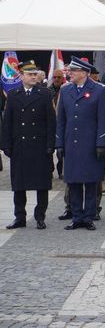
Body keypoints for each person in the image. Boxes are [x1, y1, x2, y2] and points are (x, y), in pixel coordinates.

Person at [56, 57, 105, 231]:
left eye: (74, 70)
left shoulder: (99, 90)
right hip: (72, 143)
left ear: (85, 73)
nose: (69, 73)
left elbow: (103, 119)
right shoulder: (65, 91)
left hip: (90, 144)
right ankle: (77, 216)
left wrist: (101, 143)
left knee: (91, 182)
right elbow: (61, 120)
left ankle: (88, 217)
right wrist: (60, 144)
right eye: (70, 70)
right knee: (73, 182)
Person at [1, 61, 56, 230]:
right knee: (19, 185)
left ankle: (40, 216)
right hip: (20, 146)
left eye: (35, 74)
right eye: (29, 74)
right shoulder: (13, 94)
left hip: (39, 146)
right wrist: (6, 145)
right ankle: (20, 217)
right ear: (21, 76)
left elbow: (51, 122)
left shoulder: (45, 94)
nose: (33, 77)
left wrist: (50, 145)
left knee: (42, 184)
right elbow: (7, 122)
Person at [49, 68, 66, 179]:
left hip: (61, 124)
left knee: (61, 151)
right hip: (50, 124)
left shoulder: (66, 89)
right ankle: (49, 170)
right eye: (54, 77)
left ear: (62, 78)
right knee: (49, 150)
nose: (56, 79)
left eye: (59, 77)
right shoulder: (47, 90)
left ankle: (61, 171)